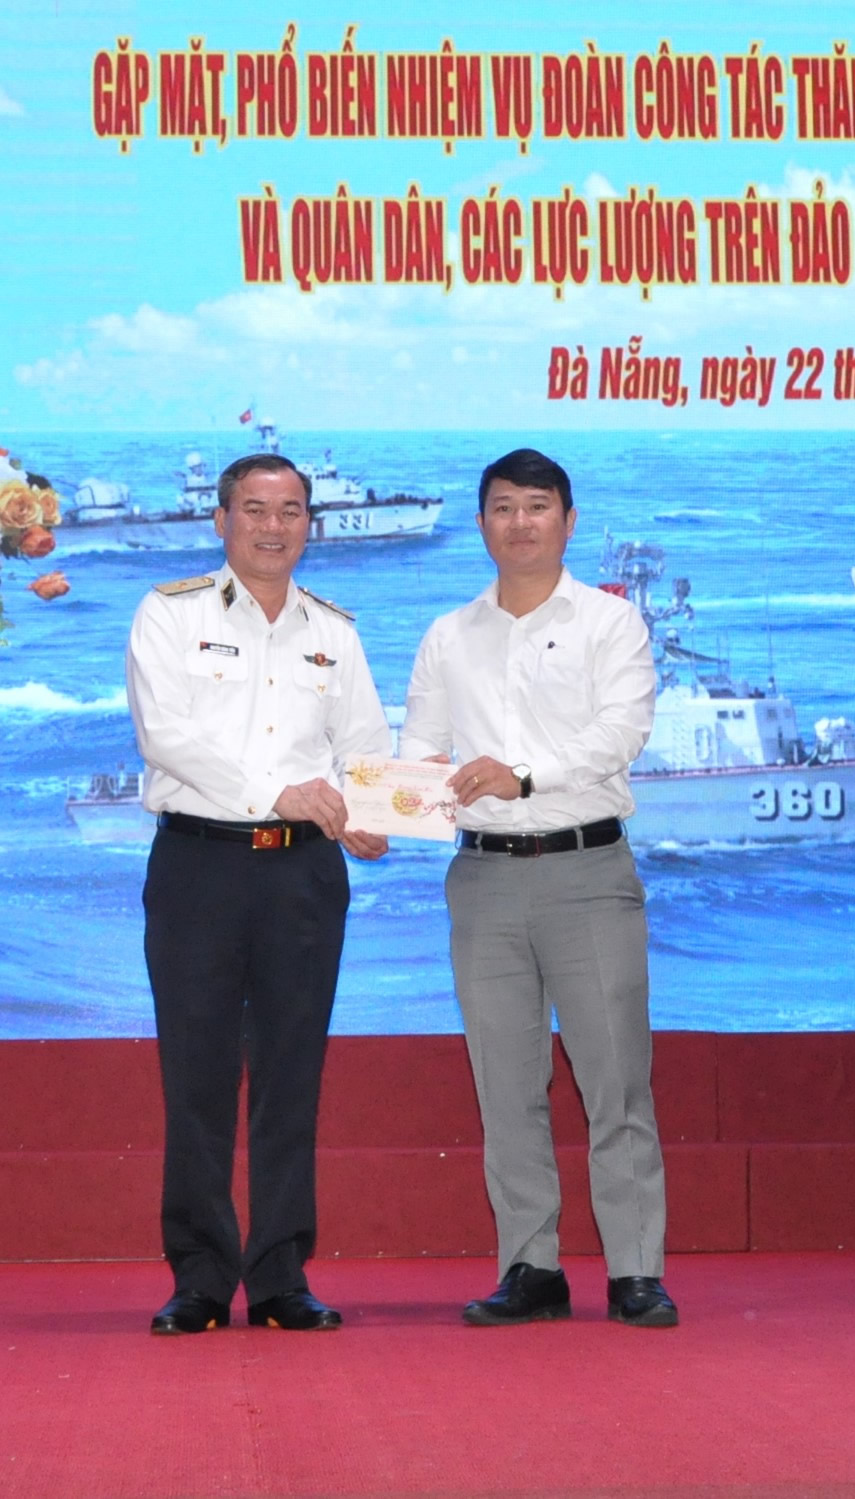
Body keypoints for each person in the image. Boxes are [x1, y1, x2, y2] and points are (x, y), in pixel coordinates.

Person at [401, 448, 676, 1329]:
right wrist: (380, 802)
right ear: (479, 522)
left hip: (588, 873)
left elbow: (617, 737)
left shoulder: (609, 623)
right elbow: (419, 755)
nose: (519, 523)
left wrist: (519, 775)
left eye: (536, 506)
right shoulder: (448, 634)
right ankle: (531, 1266)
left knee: (614, 1080)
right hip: (481, 880)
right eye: (501, 508)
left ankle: (636, 1269)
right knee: (505, 1083)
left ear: (568, 519)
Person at [125, 452, 390, 1335]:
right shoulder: (169, 615)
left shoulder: (335, 633)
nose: (273, 527)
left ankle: (280, 1275)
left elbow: (362, 751)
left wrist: (376, 813)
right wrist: (276, 791)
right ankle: (198, 1276)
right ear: (220, 520)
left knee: (291, 1077)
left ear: (310, 523)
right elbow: (167, 738)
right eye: (254, 509)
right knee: (196, 1076)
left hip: (302, 876)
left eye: (290, 511)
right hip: (199, 865)